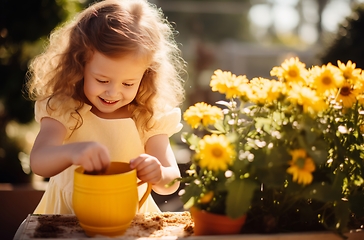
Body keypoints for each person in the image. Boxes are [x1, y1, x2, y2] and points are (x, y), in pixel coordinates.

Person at [25, 0, 185, 214]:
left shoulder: (147, 115)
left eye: (128, 83)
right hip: (66, 217)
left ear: (146, 75)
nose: (113, 92)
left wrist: (158, 174)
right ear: (80, 65)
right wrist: (72, 152)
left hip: (130, 219)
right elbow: (39, 161)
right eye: (102, 80)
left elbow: (172, 181)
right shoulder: (67, 108)